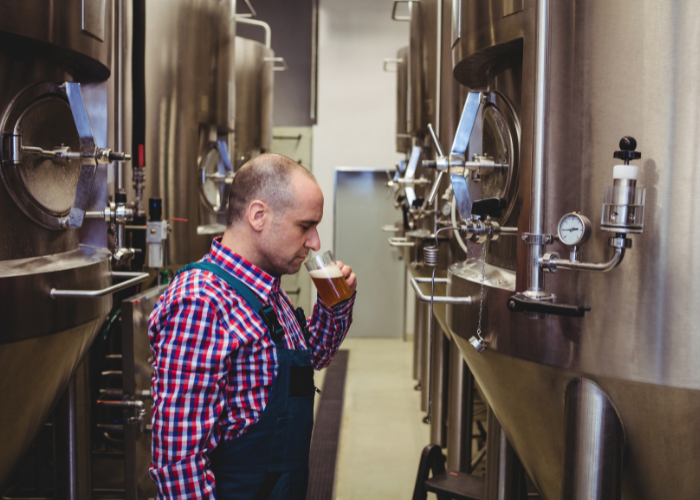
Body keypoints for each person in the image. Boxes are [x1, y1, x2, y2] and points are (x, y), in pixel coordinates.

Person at [148, 154, 357, 499]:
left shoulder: (268, 291)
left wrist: (336, 305)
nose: (316, 243)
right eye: (305, 226)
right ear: (258, 216)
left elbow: (312, 357)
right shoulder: (202, 302)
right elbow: (178, 462)